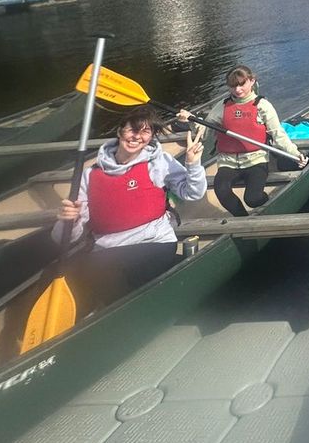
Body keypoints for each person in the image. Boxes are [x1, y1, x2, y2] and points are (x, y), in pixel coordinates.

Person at [55, 106, 206, 311]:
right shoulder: (90, 175)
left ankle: (119, 313)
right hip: (107, 248)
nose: (137, 137)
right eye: (132, 129)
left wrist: (192, 164)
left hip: (155, 241)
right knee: (63, 271)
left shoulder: (158, 163)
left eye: (145, 132)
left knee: (101, 269)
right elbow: (64, 238)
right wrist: (67, 220)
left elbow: (192, 193)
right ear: (120, 131)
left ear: (151, 136)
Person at [178, 65, 304, 217]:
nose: (237, 90)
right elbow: (203, 132)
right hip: (228, 162)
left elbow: (278, 134)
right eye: (233, 86)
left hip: (255, 160)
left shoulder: (262, 106)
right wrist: (190, 120)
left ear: (252, 81)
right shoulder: (222, 106)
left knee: (253, 199)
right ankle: (243, 219)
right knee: (221, 190)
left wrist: (295, 154)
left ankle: (268, 201)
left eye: (241, 84)